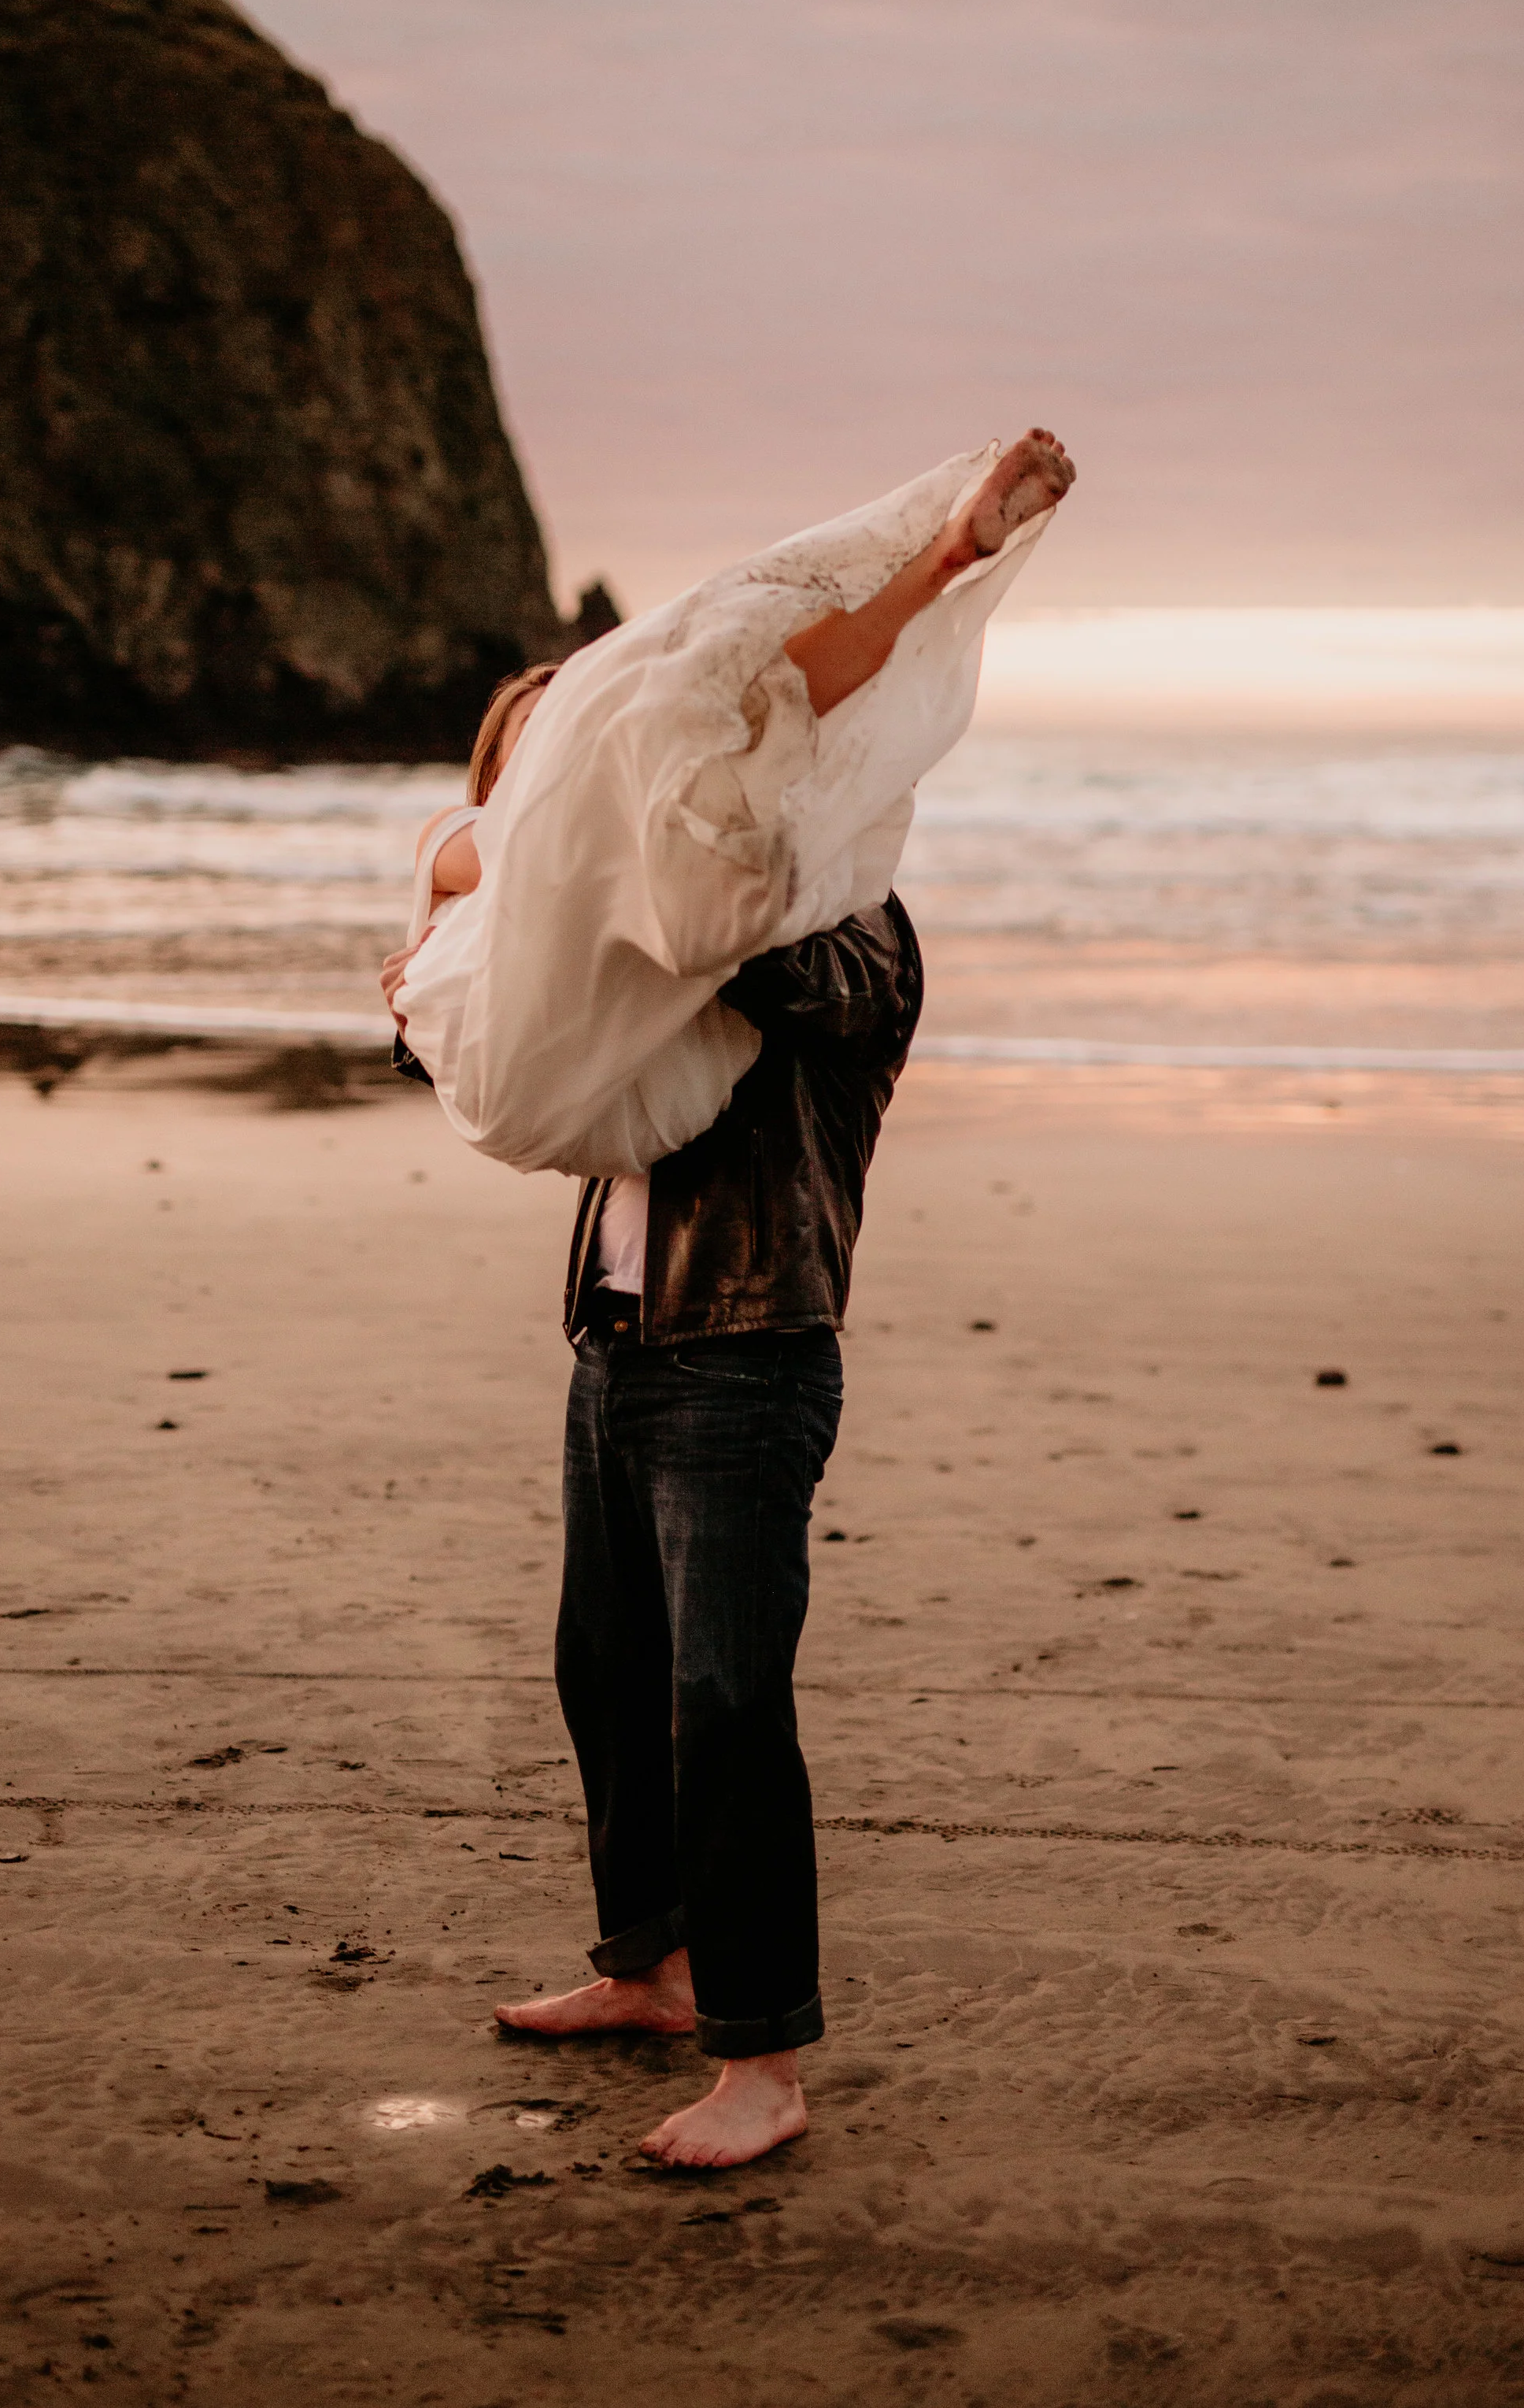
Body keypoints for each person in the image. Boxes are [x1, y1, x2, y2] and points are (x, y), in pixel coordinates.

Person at [381, 430, 1074, 2169]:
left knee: (722, 1700)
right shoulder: (587, 958)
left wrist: (918, 580)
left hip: (749, 1353)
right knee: (602, 1671)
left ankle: (763, 2062)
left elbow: (722, 935)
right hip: (617, 1348)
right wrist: (456, 946)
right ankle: (657, 1969)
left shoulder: (844, 932)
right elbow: (514, 1058)